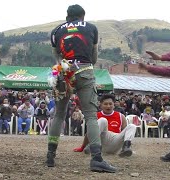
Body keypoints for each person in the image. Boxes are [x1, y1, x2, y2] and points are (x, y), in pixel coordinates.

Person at [47, 4, 116, 172]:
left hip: (63, 73)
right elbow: (93, 57)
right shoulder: (92, 28)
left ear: (67, 16)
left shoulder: (56, 31)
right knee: (91, 117)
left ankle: (50, 155)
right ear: (82, 16)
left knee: (59, 115)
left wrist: (65, 66)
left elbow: (57, 57)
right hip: (85, 71)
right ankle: (97, 159)